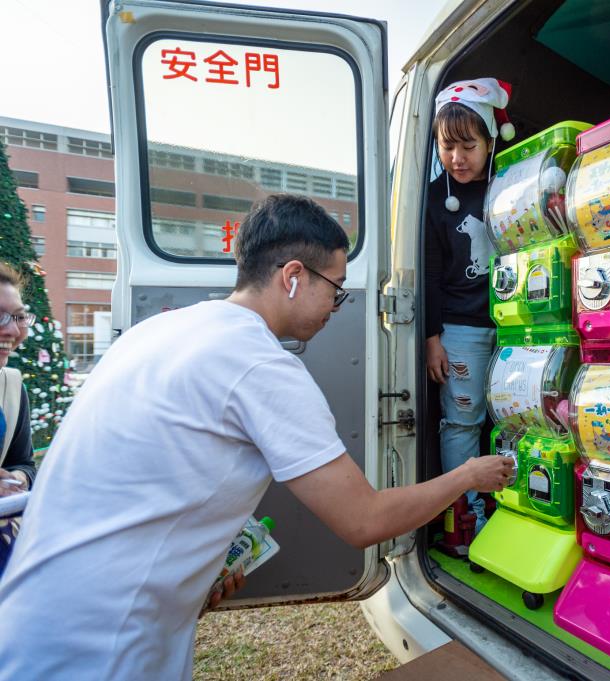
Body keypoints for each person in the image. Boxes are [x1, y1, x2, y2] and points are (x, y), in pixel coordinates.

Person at [0, 194, 513, 680]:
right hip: (99, 648)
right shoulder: (262, 366)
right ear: (293, 276)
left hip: (34, 616)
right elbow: (365, 519)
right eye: (334, 290)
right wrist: (468, 474)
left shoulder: (156, 332)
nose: (335, 307)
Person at [424, 77, 515, 533]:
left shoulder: (512, 187)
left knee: (519, 418)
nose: (457, 158)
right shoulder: (435, 200)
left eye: (468, 145)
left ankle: (517, 509)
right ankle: (462, 520)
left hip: (520, 326)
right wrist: (431, 338)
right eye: (447, 147)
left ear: (491, 140)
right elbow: (429, 274)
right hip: (460, 330)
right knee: (462, 422)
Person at [0, 262, 36, 499]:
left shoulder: (10, 387)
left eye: (19, 317)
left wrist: (15, 479)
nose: (13, 330)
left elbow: (24, 464)